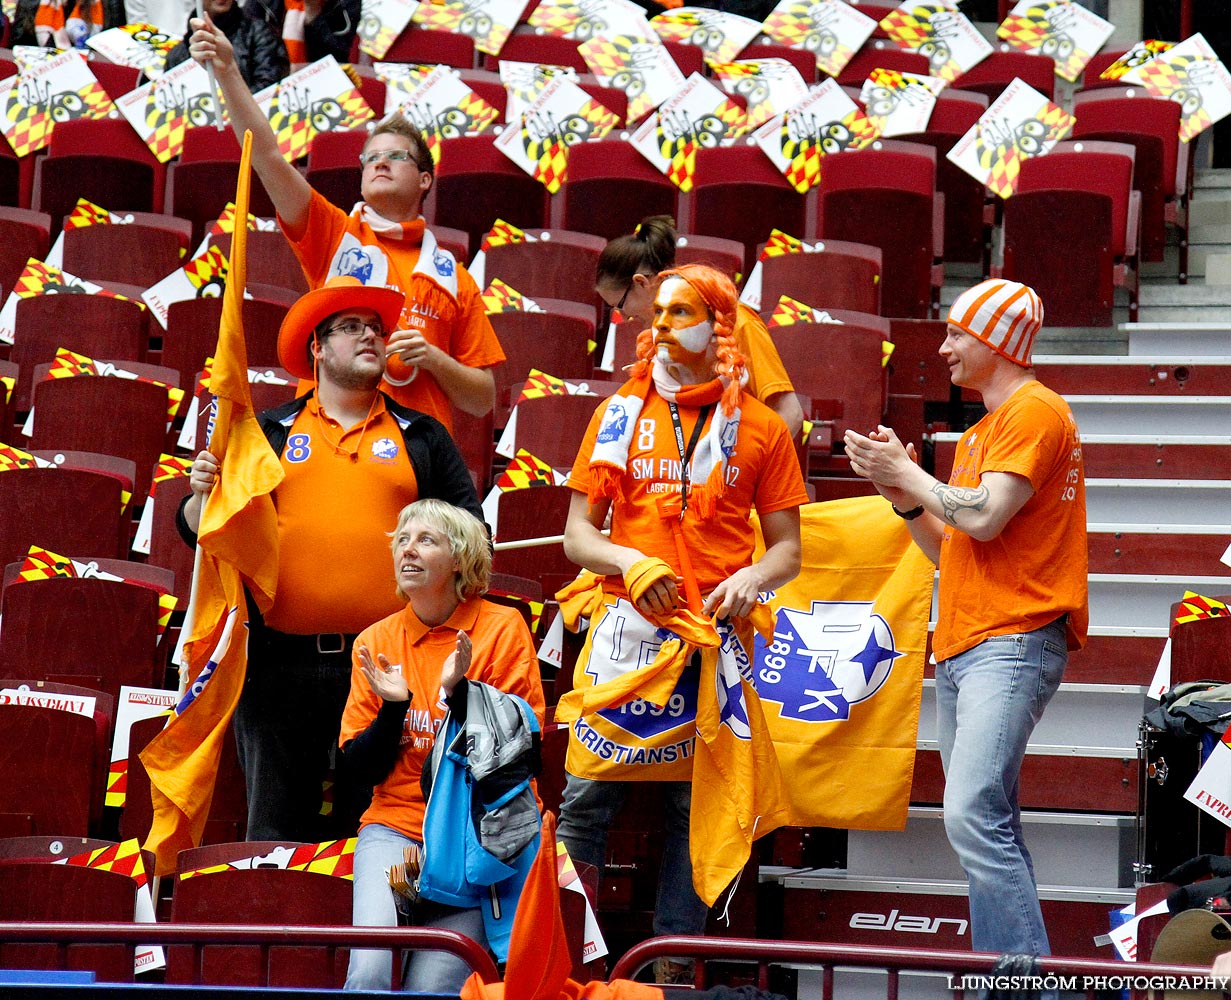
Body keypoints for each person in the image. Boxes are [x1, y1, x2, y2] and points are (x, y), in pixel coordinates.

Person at [556, 264, 806, 981]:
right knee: (584, 803)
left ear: (720, 325)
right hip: (628, 634)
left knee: (692, 813)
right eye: (656, 312)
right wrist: (630, 563)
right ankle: (571, 958)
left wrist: (752, 578)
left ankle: (670, 974)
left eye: (681, 311)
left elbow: (788, 548)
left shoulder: (760, 428)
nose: (661, 325)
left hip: (713, 642)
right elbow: (578, 536)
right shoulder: (618, 414)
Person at [180, 276, 484, 843]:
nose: (370, 337)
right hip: (275, 668)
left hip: (389, 671)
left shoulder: (424, 435)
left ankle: (369, 937)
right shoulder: (265, 432)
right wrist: (201, 498)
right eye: (350, 329)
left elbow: (474, 537)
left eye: (375, 328)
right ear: (316, 348)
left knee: (380, 834)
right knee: (273, 839)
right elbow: (198, 532)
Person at [843, 278, 1088, 957]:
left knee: (973, 815)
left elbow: (981, 515)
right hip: (970, 641)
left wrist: (911, 471)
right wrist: (900, 492)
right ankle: (1006, 976)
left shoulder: (1034, 411)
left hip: (1009, 639)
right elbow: (950, 545)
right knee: (988, 821)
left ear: (996, 342)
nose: (945, 346)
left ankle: (1017, 983)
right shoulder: (985, 429)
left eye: (957, 333)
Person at [187, 24, 502, 433]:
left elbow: (482, 399)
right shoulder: (335, 234)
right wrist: (228, 68)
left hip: (418, 460)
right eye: (369, 158)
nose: (380, 163)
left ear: (425, 179)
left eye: (395, 156)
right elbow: (266, 156)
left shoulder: (455, 279)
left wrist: (433, 358)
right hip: (326, 440)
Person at [339, 498, 545, 993]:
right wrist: (393, 709)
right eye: (402, 541)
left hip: (474, 837)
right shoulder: (376, 639)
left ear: (462, 560)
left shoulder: (502, 628)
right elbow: (356, 770)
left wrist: (460, 695)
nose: (408, 551)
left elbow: (514, 761)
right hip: (396, 828)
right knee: (368, 971)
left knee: (430, 989)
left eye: (426, 540)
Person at [595, 215, 804, 438]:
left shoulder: (736, 321)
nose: (624, 316)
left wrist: (750, 466)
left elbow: (790, 413)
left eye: (620, 305)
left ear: (641, 283)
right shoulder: (658, 336)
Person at [165, 0, 288, 92]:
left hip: (248, 124)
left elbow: (271, 88)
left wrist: (229, 107)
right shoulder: (178, 54)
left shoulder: (258, 32)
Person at [245, 0, 360, 65]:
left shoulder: (346, 4)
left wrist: (314, 16)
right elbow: (248, 54)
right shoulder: (260, 3)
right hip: (273, 84)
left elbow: (342, 60)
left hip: (326, 83)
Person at [11, 0, 123, 48]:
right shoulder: (32, 3)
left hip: (93, 75)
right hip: (42, 71)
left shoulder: (107, 3)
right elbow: (19, 47)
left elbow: (113, 45)